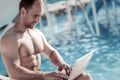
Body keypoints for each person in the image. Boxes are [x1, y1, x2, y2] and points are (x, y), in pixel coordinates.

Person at [0, 0, 93, 80]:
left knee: (84, 77)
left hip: (40, 78)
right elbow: (14, 73)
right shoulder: (9, 39)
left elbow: (51, 53)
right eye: (35, 16)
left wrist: (61, 64)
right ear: (23, 11)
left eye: (40, 16)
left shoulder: (36, 33)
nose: (38, 20)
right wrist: (45, 75)